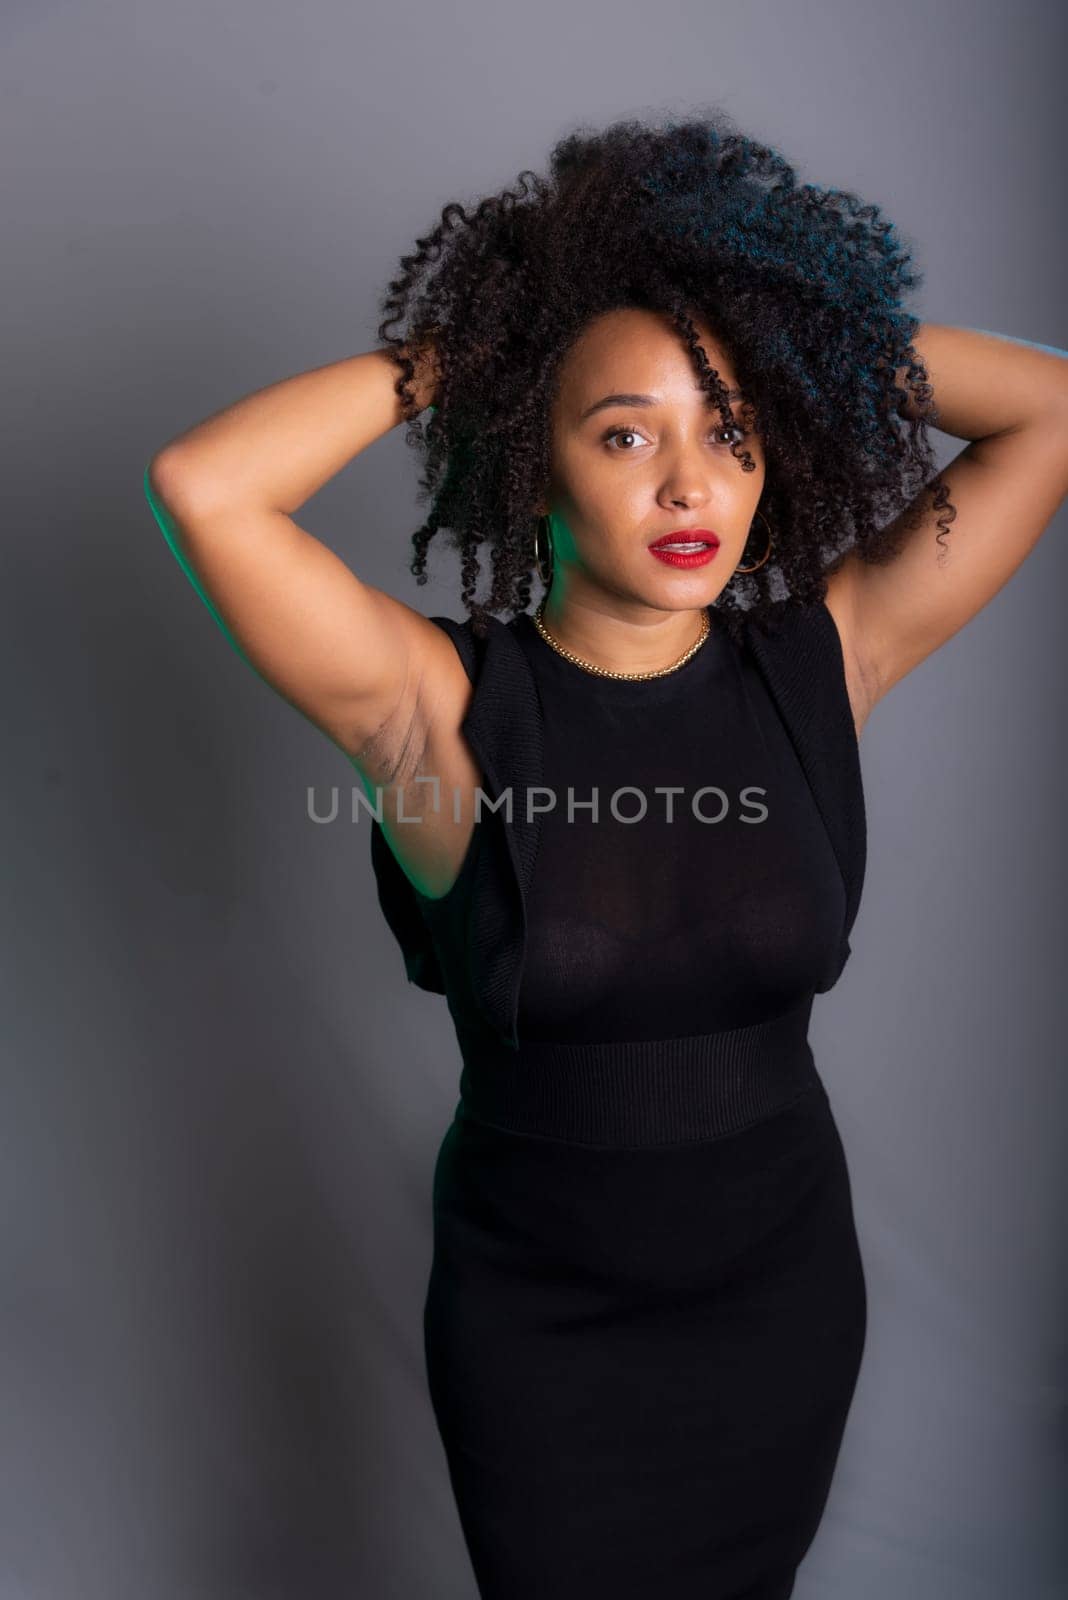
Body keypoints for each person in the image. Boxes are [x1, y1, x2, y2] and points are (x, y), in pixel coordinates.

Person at [144, 110, 1068, 1598]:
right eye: (625, 431)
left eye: (732, 429)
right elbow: (208, 489)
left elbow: (1052, 410)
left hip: (780, 1302)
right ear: (536, 461)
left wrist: (800, 333)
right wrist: (487, 346)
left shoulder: (821, 662)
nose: (689, 481)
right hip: (542, 1334)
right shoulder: (438, 715)